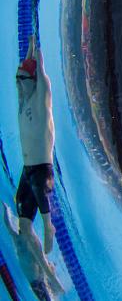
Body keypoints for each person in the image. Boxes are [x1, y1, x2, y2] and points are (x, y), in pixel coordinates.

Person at [15, 36, 56, 256]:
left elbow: (40, 71)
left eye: (23, 80)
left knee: (40, 198)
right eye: (19, 81)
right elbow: (21, 76)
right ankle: (43, 266)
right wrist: (28, 53)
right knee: (23, 225)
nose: (20, 86)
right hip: (27, 170)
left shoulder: (41, 98)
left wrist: (35, 48)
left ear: (32, 79)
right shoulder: (24, 103)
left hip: (41, 170)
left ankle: (49, 227)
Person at [3, 203, 63, 300]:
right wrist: (6, 209)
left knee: (53, 293)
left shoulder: (30, 239)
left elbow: (41, 257)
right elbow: (8, 225)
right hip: (35, 280)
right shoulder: (19, 239)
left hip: (40, 276)